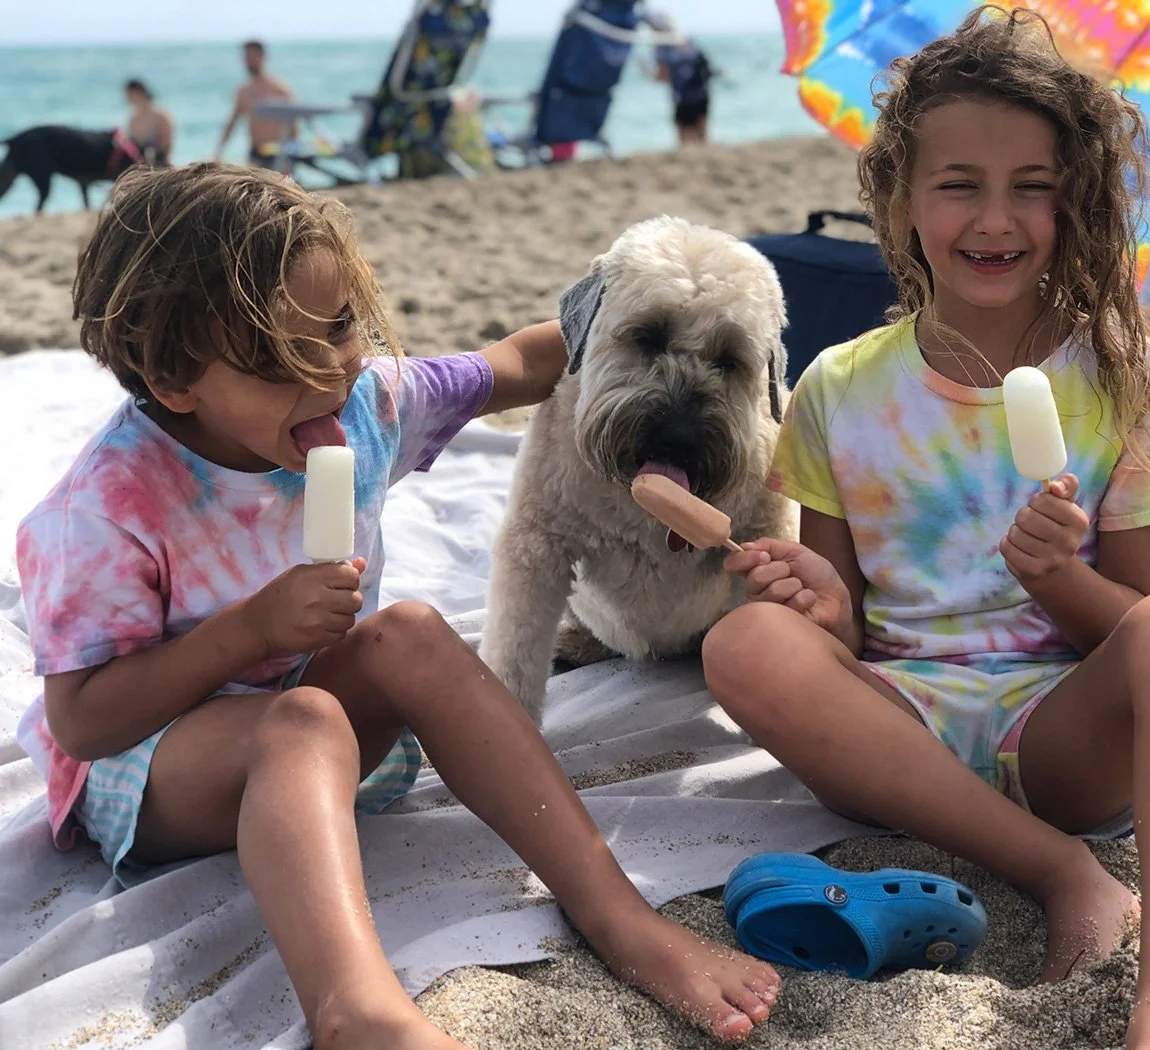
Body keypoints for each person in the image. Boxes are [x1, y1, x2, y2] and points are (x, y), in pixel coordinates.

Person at [15, 164, 780, 1049]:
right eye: (281, 359)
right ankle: (356, 1008)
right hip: (155, 773)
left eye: (340, 328)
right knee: (298, 721)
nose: (332, 375)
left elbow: (514, 364)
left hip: (324, 728)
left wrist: (626, 333)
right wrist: (250, 633)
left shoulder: (368, 405)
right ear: (176, 377)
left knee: (413, 630)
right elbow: (82, 725)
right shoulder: (108, 508)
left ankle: (617, 914)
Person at [702, 9, 1150, 1050]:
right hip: (896, 729)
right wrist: (817, 608)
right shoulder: (838, 387)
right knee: (743, 641)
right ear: (900, 200)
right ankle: (1058, 875)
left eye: (1030, 187)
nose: (993, 218)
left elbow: (1134, 636)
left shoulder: (1137, 381)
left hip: (1061, 738)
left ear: (1073, 201)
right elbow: (841, 634)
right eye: (958, 184)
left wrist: (1057, 580)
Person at [215, 40, 295, 171]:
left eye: (252, 56)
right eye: (246, 57)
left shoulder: (280, 89)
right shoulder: (244, 91)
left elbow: (293, 125)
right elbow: (232, 123)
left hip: (278, 151)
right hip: (255, 151)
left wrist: (292, 153)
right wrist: (219, 152)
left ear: (263, 57)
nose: (248, 61)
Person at [642, 10, 713, 146]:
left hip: (682, 98)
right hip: (701, 94)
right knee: (703, 139)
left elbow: (663, 77)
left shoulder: (663, 49)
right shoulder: (688, 41)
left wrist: (647, 72)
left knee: (685, 142)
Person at [123, 79, 174, 167]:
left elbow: (167, 145)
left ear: (138, 92)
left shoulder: (161, 116)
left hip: (161, 165)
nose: (127, 98)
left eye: (129, 94)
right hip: (139, 166)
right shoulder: (133, 119)